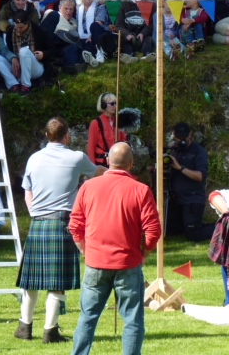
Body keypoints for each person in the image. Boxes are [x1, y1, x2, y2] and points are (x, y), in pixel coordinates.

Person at [14, 117, 106, 343]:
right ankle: (50, 331)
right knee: (57, 283)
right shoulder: (76, 157)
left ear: (47, 136)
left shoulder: (34, 158)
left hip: (38, 223)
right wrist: (113, 164)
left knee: (31, 280)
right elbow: (99, 173)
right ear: (68, 136)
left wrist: (36, 213)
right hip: (62, 223)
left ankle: (24, 327)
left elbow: (28, 192)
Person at [69, 142, 161, 355]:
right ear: (131, 164)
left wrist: (84, 249)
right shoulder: (141, 190)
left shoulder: (88, 187)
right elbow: (153, 231)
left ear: (108, 161)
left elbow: (75, 225)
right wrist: (144, 253)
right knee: (132, 319)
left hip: (96, 263)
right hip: (128, 264)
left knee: (87, 318)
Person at [166, 122, 213, 241]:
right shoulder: (175, 150)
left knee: (193, 235)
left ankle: (222, 227)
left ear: (190, 135)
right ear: (174, 136)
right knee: (170, 231)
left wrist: (180, 168)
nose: (182, 140)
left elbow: (200, 176)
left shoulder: (199, 151)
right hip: (176, 200)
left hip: (192, 199)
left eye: (184, 137)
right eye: (179, 138)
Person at [87, 93, 127, 167]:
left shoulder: (118, 122)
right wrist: (92, 168)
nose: (115, 106)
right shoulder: (96, 123)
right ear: (103, 105)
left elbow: (123, 141)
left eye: (116, 103)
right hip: (101, 164)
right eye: (112, 104)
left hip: (116, 163)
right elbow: (91, 148)